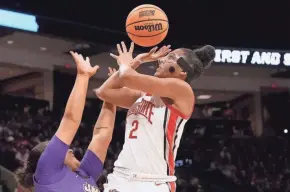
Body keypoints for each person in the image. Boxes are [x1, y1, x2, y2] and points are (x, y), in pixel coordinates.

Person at [96, 42, 215, 192]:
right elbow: (104, 92)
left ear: (182, 71)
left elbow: (126, 76)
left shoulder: (183, 90)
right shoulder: (141, 95)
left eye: (170, 57)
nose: (161, 60)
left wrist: (128, 63)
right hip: (120, 177)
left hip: (153, 182)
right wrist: (136, 62)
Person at [17, 52, 117, 192]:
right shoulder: (48, 172)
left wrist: (111, 96)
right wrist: (82, 76)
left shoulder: (85, 174)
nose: (69, 149)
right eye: (62, 149)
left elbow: (103, 136)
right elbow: (70, 120)